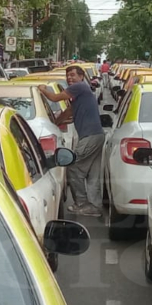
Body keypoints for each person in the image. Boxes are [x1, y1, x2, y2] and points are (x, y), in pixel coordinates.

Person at [38, 66, 105, 217]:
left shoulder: (79, 87)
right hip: (96, 136)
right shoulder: (79, 94)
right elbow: (68, 112)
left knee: (73, 167)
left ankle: (81, 203)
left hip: (90, 136)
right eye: (68, 76)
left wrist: (43, 89)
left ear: (81, 77)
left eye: (73, 75)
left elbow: (54, 98)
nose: (70, 78)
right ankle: (95, 206)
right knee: (93, 174)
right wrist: (54, 122)